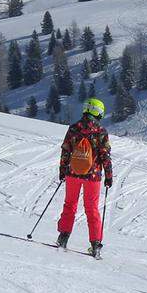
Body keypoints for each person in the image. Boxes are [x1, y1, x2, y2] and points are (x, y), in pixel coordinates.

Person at [56, 98, 112, 258]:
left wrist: (62, 170)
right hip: (93, 176)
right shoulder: (101, 131)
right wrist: (108, 176)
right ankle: (95, 245)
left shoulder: (74, 128)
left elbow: (65, 150)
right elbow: (105, 156)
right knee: (91, 209)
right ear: (98, 112)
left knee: (70, 205)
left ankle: (63, 238)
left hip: (73, 173)